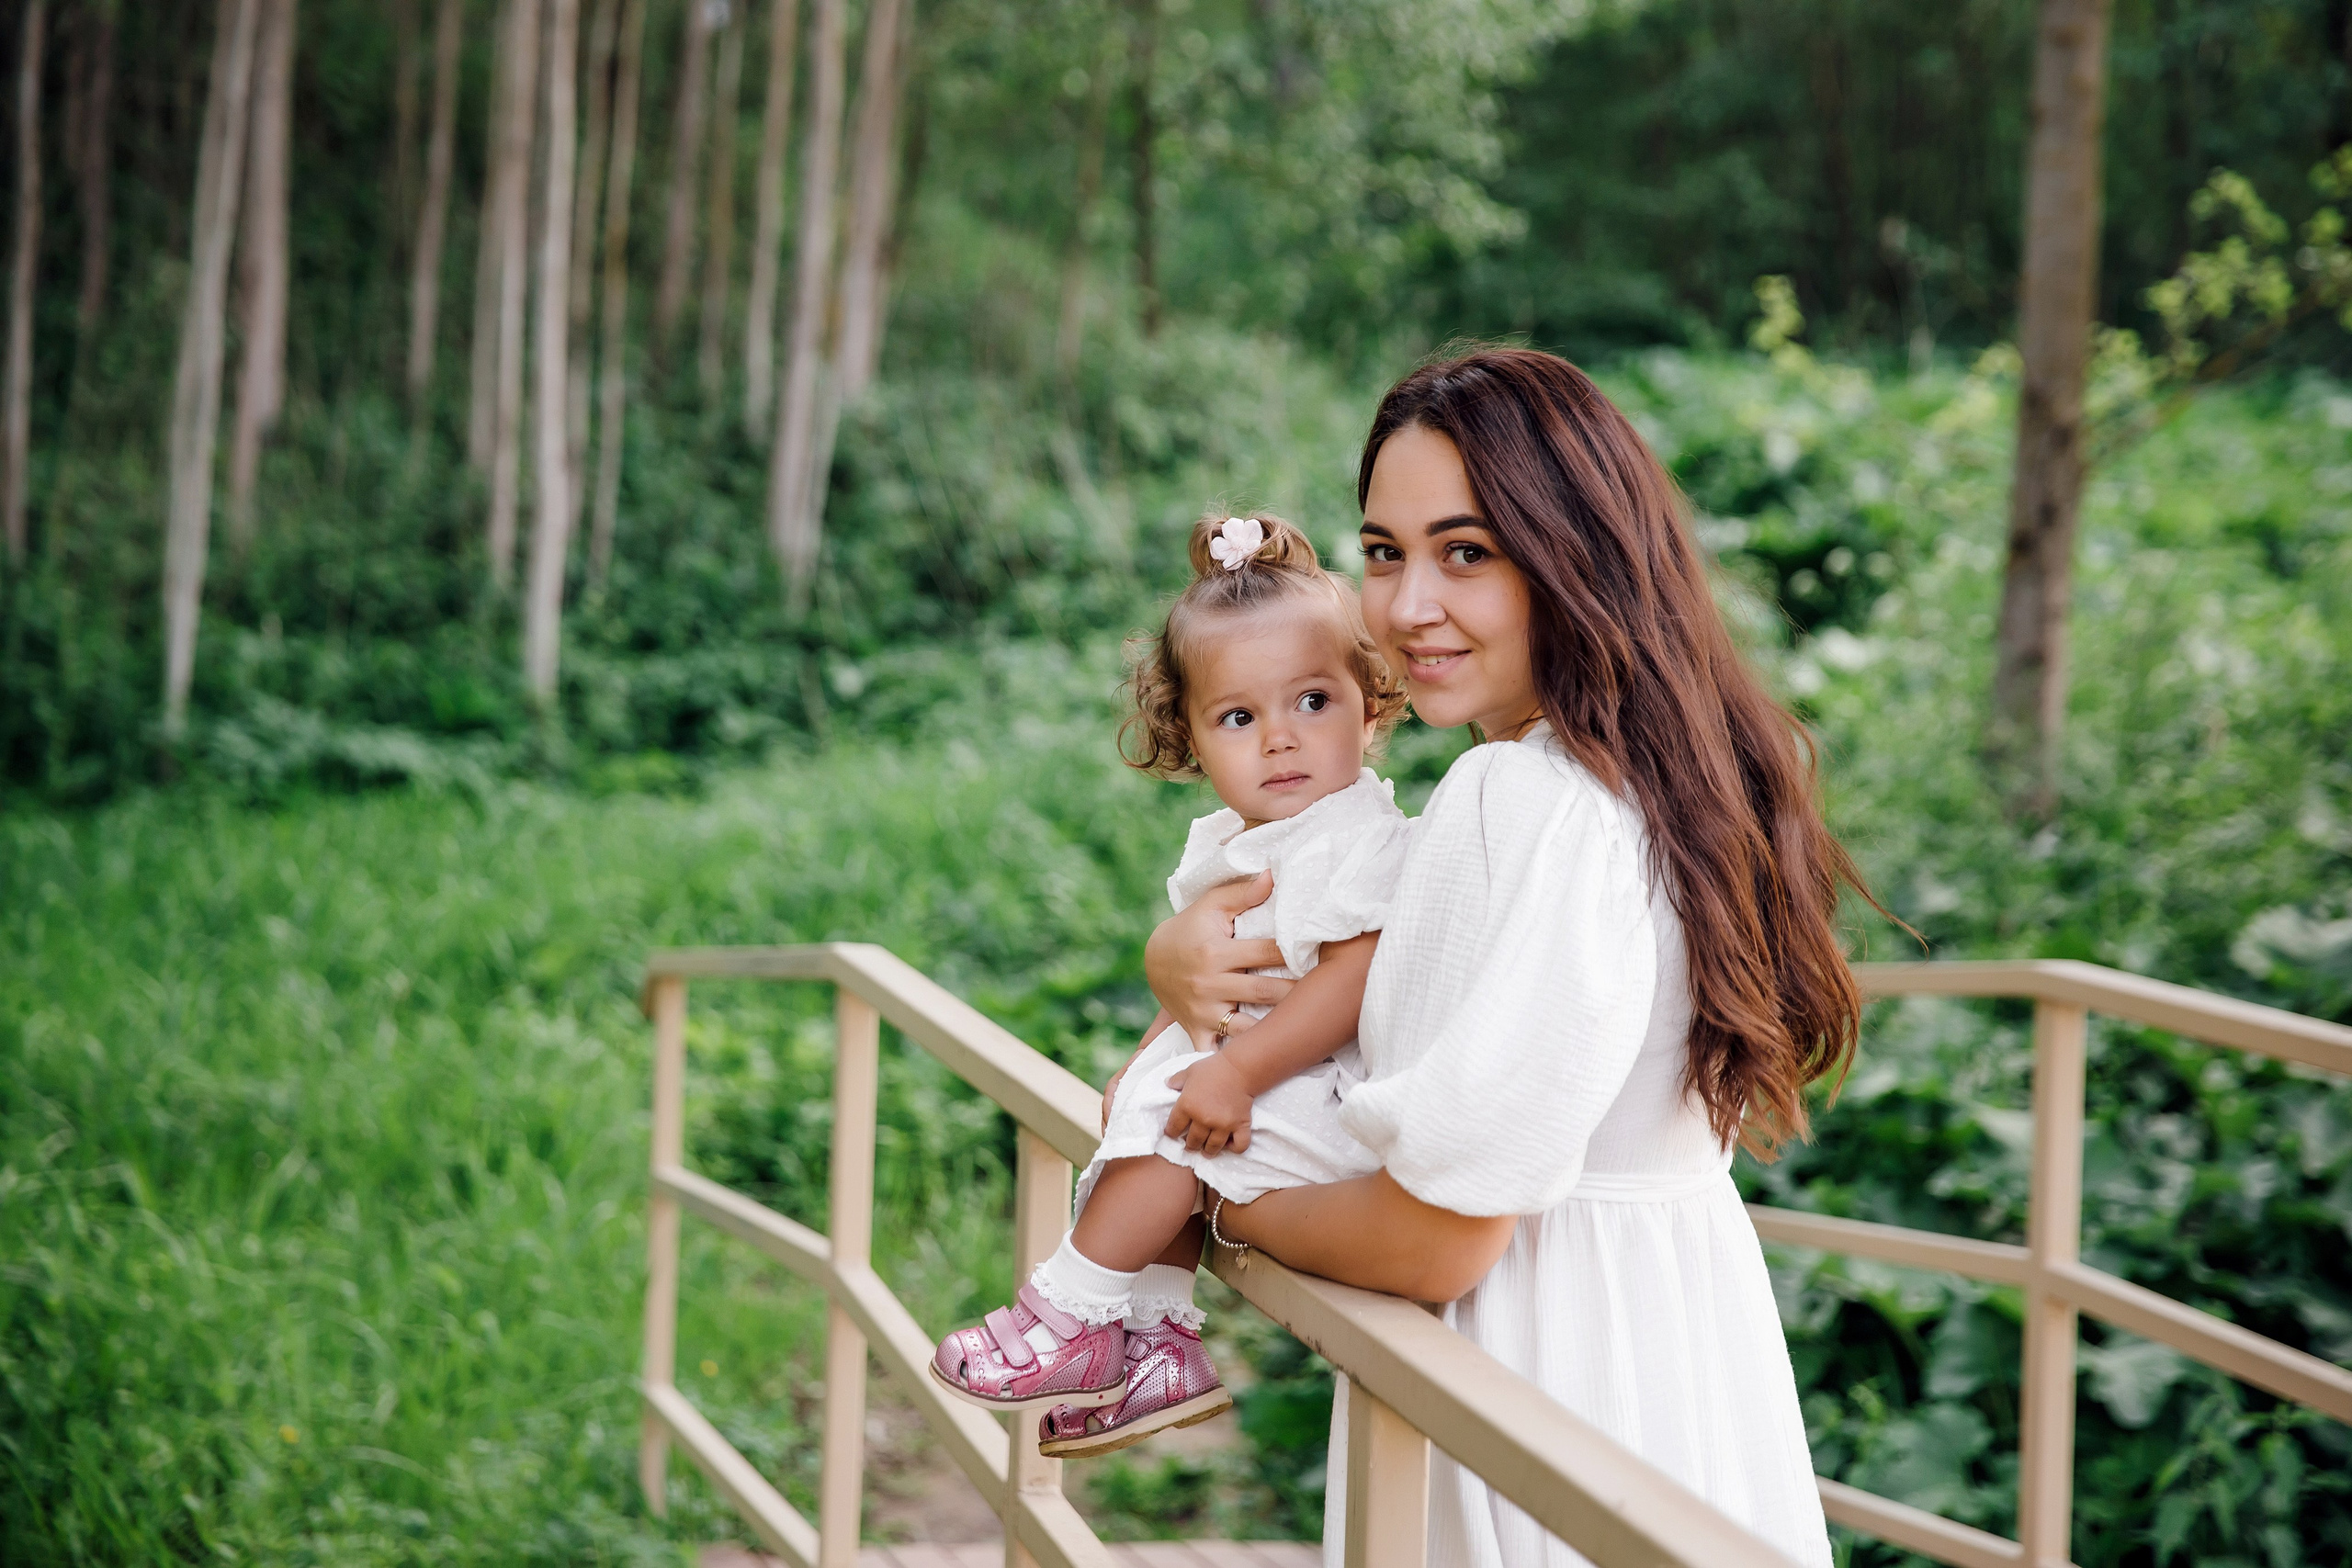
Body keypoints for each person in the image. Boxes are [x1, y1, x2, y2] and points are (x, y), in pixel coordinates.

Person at [1147, 349, 1869, 1566]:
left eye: (1466, 551)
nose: (1407, 604)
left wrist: (1215, 1201)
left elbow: (1440, 1236)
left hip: (1533, 1372)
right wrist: (1186, 953)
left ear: (1574, 553)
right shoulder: (1674, 773)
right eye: (1384, 552)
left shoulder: (1515, 795)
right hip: (1678, 1358)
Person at [929, 513, 1414, 1461]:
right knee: (1153, 1109)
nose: (1280, 739)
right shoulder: (1245, 844)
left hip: (1325, 1091)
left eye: (1311, 701)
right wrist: (1159, 1044)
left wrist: (1228, 1076)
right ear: (1187, 741)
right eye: (1239, 718)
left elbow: (1353, 979)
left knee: (1167, 1135)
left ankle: (1065, 1312)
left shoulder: (1358, 838)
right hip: (1268, 1075)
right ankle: (1157, 1346)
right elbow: (1215, 973)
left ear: (1372, 702)